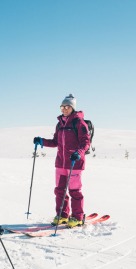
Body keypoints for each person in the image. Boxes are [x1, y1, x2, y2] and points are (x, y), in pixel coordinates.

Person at [33, 94, 90, 228]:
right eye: (62, 107)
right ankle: (62, 215)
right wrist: (42, 141)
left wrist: (79, 153)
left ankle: (77, 217)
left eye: (67, 106)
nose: (64, 109)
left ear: (72, 108)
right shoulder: (60, 124)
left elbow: (86, 142)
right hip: (60, 163)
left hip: (74, 163)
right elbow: (55, 142)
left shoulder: (79, 123)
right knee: (60, 190)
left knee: (74, 191)